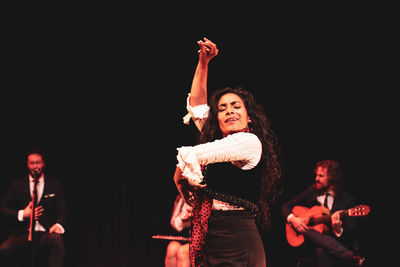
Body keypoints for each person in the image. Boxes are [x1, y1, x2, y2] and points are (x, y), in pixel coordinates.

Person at [174, 38, 281, 267]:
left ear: (248, 115)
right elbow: (197, 107)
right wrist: (203, 62)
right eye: (222, 109)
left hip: (237, 238)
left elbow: (194, 154)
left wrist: (180, 178)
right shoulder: (217, 143)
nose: (229, 111)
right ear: (217, 118)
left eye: (236, 106)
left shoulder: (249, 142)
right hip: (213, 234)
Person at [281, 160, 366, 266]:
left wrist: (338, 229)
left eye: (321, 176)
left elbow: (351, 231)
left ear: (332, 178)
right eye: (316, 175)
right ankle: (350, 257)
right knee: (309, 232)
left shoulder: (347, 200)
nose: (316, 179)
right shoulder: (312, 191)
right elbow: (285, 207)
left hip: (335, 242)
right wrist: (293, 219)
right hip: (307, 241)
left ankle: (348, 255)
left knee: (321, 250)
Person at [0, 147, 67, 267]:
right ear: (27, 164)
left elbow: (62, 210)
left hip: (45, 232)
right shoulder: (18, 184)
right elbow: (3, 209)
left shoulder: (54, 184)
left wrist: (58, 225)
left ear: (43, 163)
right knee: (5, 248)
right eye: (32, 163)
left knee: (56, 241)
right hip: (23, 233)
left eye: (38, 163)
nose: (35, 166)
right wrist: (23, 214)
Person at [165, 194, 192, 267]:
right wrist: (185, 218)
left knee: (183, 251)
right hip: (186, 238)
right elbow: (176, 226)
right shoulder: (181, 198)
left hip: (201, 239)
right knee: (172, 248)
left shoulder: (203, 197)